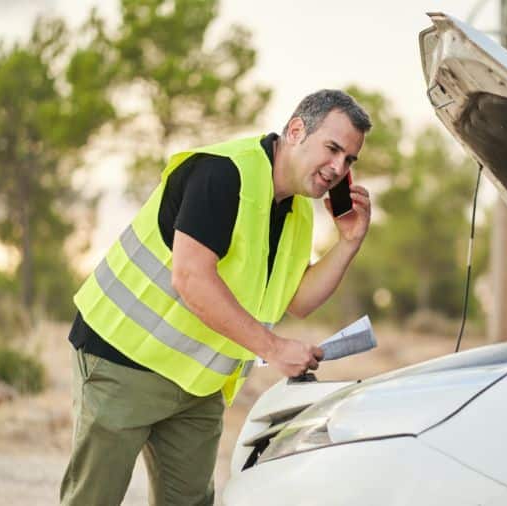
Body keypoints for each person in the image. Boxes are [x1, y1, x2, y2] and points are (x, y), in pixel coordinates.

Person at [60, 89, 372, 505]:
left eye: (349, 159)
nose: (338, 167)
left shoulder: (297, 211)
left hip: (197, 384)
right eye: (333, 148)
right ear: (296, 130)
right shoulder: (224, 173)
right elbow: (190, 278)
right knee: (93, 500)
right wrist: (273, 348)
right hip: (123, 361)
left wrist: (348, 242)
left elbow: (297, 299)